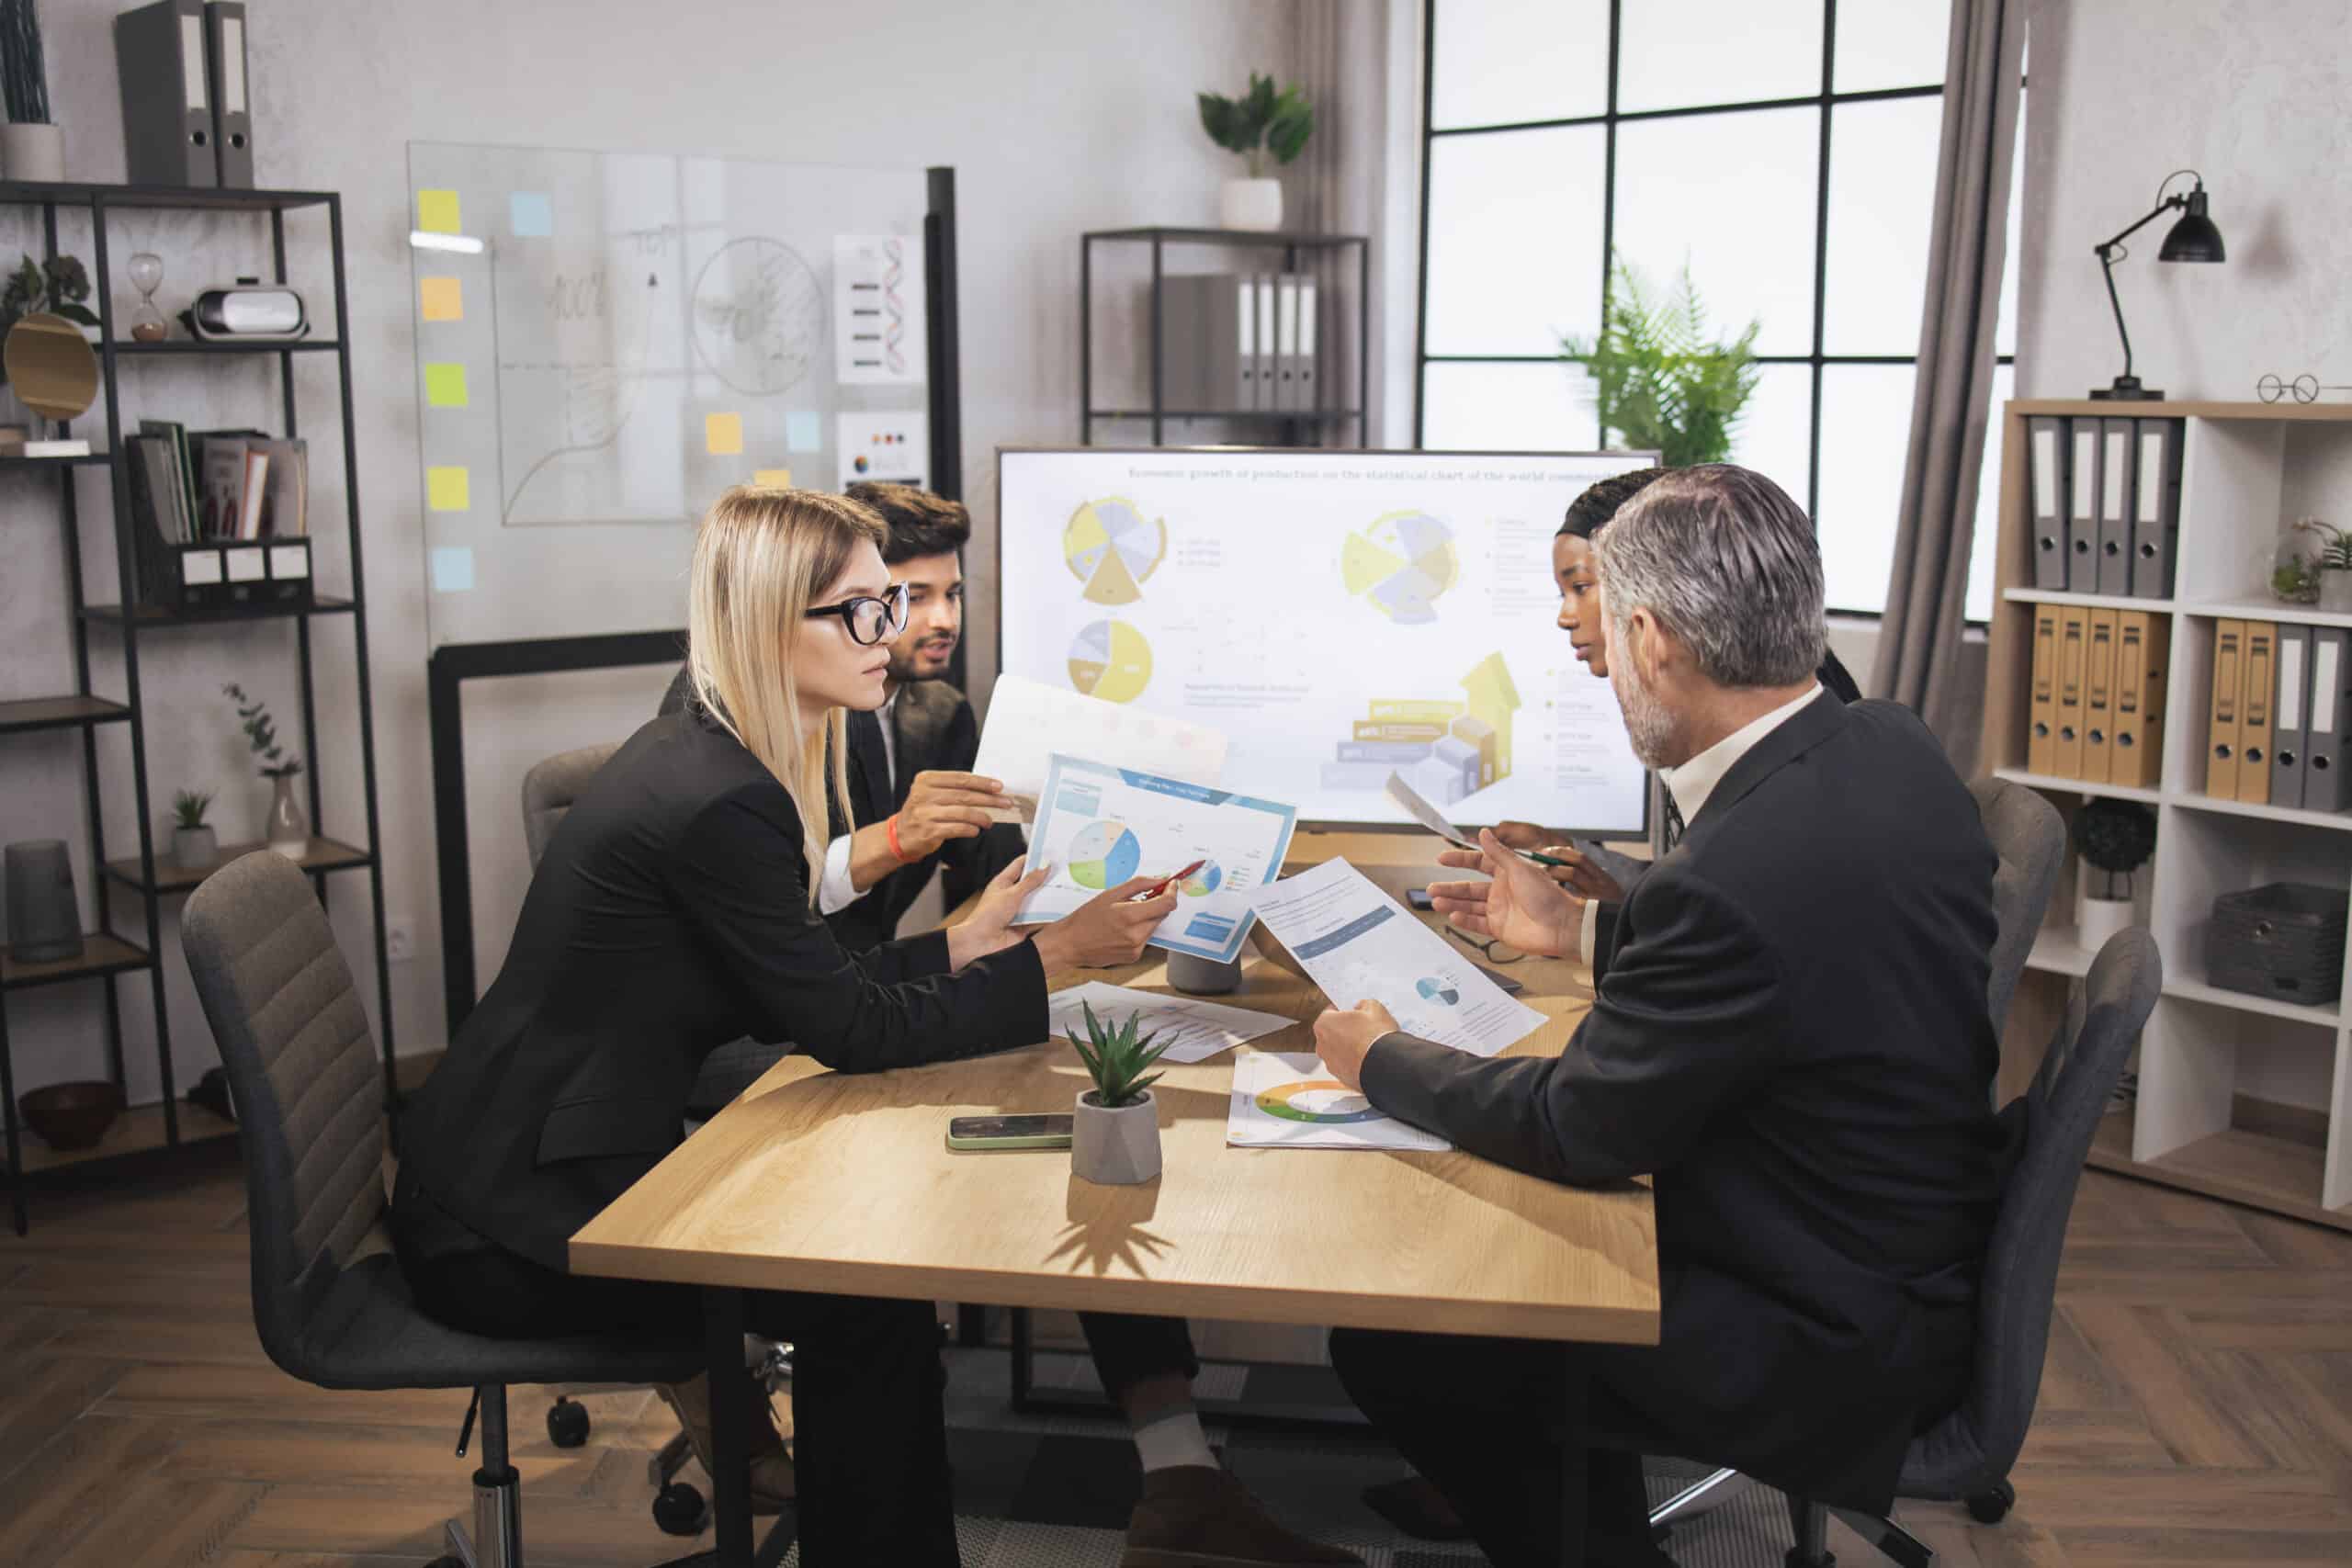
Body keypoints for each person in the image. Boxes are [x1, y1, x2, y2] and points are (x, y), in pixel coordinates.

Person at [390, 487, 1179, 1566]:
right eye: (860, 611)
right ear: (771, 624)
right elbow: (849, 1030)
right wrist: (1050, 957)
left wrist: (961, 947)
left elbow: (805, 989)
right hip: (508, 1222)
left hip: (526, 1160)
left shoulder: (709, 754)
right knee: (868, 1301)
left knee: (870, 1292)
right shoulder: (724, 798)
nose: (889, 635)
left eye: (890, 605)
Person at [1307, 465, 2014, 1568]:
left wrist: (1378, 1058)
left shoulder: (1730, 877)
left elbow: (1577, 1128)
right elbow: (1789, 957)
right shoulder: (1887, 744)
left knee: (1407, 1338)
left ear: (1647, 638)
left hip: (1820, 1329)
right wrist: (1579, 930)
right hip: (1900, 1251)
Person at [663, 484, 1360, 1567]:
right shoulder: (733, 719)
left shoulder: (933, 714)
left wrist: (1123, 873)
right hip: (768, 1034)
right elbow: (756, 923)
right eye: (899, 598)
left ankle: (1177, 1468)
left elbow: (1006, 888)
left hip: (876, 998)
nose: (931, 620)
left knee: (1095, 1115)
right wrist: (895, 849)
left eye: (947, 593)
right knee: (1018, 1154)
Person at [1493, 464, 1864, 982]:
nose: (1566, 616)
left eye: (1582, 586)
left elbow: (1712, 906)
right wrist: (1579, 892)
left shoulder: (1755, 800)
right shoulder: (1875, 734)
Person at [661, 481, 1024, 953]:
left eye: (953, 594)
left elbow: (993, 861)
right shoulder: (730, 702)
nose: (945, 620)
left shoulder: (941, 711)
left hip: (869, 978)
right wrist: (894, 838)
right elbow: (750, 889)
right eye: (912, 597)